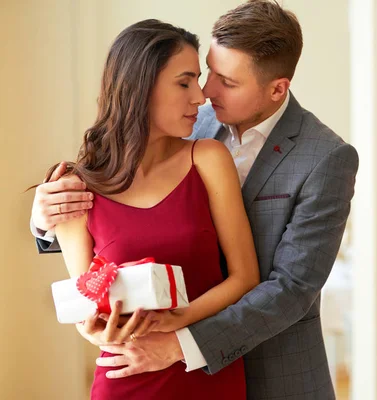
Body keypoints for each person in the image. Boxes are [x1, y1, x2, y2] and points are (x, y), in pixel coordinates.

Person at [32, 1, 359, 399]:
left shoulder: (325, 157)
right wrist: (46, 219)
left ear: (277, 88)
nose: (206, 93)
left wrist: (179, 343)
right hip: (142, 367)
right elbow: (115, 233)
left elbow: (291, 288)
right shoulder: (190, 121)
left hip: (275, 373)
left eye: (228, 82)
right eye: (207, 73)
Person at [41, 18, 260, 399]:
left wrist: (179, 323)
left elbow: (244, 277)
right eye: (184, 82)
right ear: (140, 86)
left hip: (205, 373)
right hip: (126, 373)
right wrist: (90, 327)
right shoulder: (75, 186)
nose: (200, 97)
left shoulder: (208, 158)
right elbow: (88, 300)